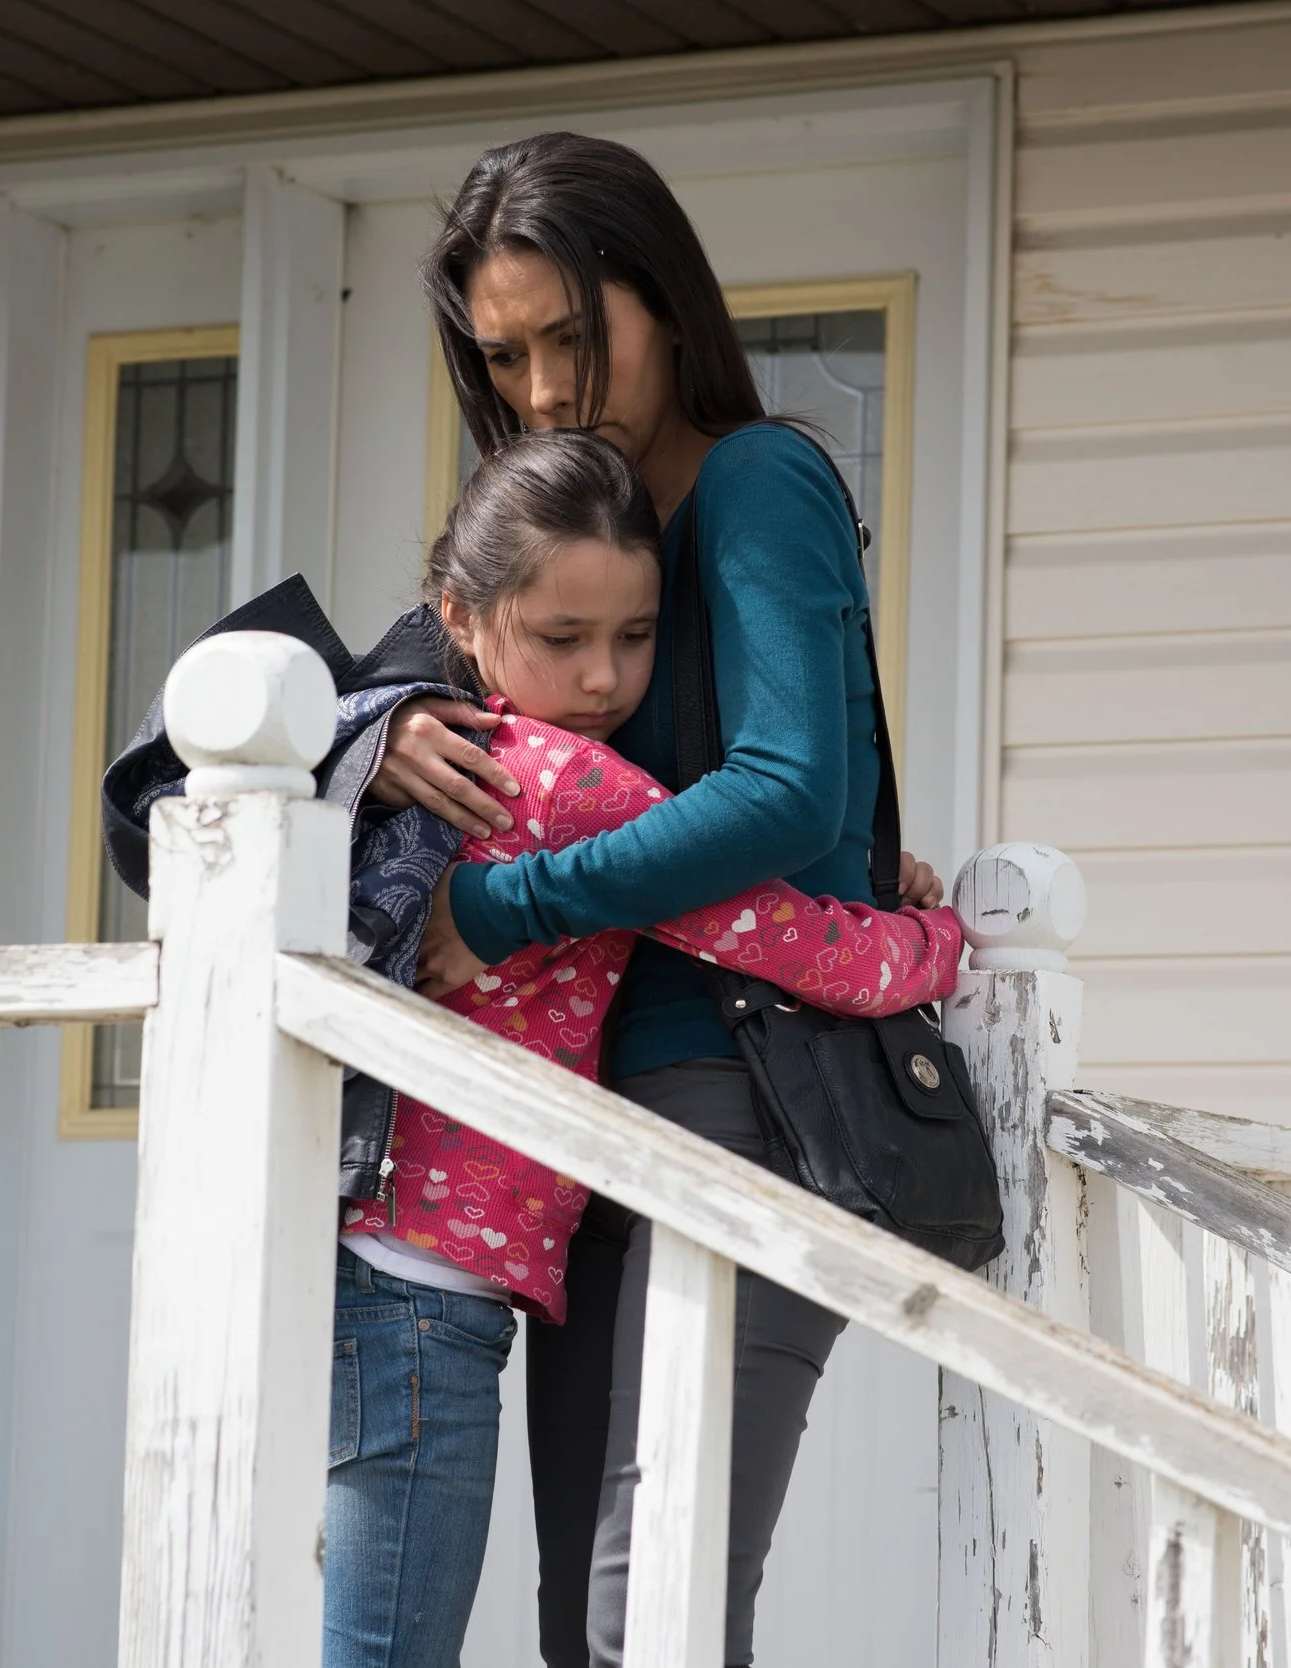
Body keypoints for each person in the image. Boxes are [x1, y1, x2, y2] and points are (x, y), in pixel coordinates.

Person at [378, 132, 923, 1667]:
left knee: (652, 1616)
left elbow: (789, 793)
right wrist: (386, 729)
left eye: (574, 336)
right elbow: (231, 743)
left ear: (667, 300)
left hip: (749, 1091)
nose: (549, 389)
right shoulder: (557, 530)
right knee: (588, 1631)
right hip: (585, 1133)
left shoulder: (758, 481)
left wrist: (510, 908)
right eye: (507, 357)